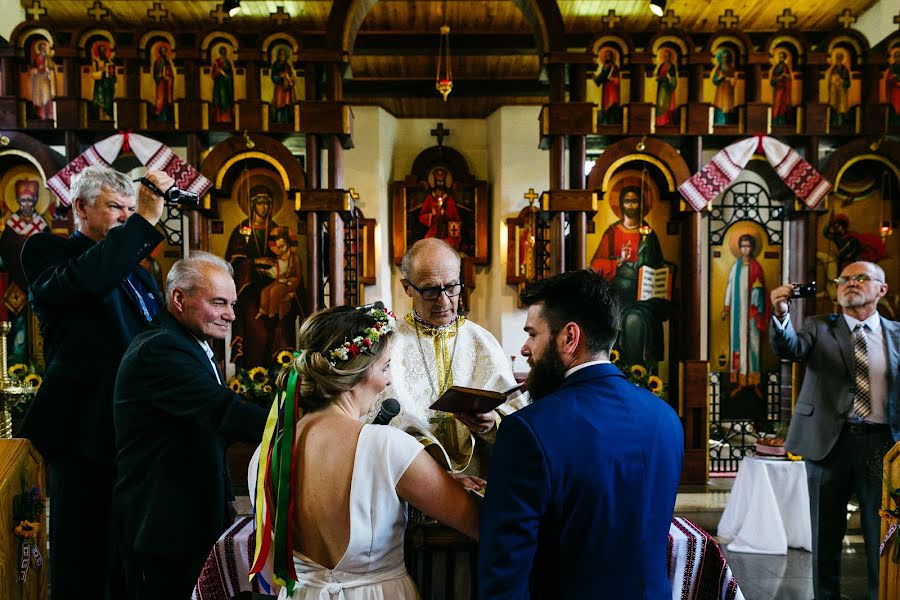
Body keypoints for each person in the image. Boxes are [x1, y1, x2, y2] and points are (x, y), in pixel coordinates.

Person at [250, 303, 480, 598]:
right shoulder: (386, 445)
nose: (389, 380)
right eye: (384, 367)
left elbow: (271, 568)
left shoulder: (265, 453)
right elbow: (480, 525)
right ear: (356, 372)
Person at [478, 269, 684, 598]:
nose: (526, 348)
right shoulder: (666, 418)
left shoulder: (528, 430)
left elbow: (505, 570)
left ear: (569, 338)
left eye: (533, 334)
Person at [19, 165, 173, 600]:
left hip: (135, 432)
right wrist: (143, 221)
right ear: (81, 207)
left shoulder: (139, 273)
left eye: (130, 209)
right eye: (115, 208)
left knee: (130, 556)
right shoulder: (49, 252)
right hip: (83, 430)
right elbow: (88, 281)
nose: (126, 216)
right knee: (84, 560)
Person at [113, 252, 268, 598]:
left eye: (232, 303)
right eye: (218, 302)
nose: (230, 314)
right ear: (179, 299)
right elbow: (224, 413)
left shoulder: (185, 343)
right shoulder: (161, 349)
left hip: (188, 519)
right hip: (164, 527)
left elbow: (208, 433)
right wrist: (310, 425)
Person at [770, 261, 900, 600]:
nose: (850, 283)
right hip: (828, 443)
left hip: (882, 448)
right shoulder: (818, 327)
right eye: (844, 279)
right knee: (825, 536)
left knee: (881, 535)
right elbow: (788, 348)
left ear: (881, 290)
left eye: (860, 278)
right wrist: (782, 313)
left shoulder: (897, 334)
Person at [385, 237, 528, 476]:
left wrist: (492, 423)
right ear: (407, 287)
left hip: (476, 477)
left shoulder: (481, 341)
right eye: (430, 290)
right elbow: (372, 417)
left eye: (451, 287)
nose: (443, 301)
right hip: (409, 479)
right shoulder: (390, 343)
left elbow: (516, 417)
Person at [589, 185, 671, 365]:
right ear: (621, 204)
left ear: (640, 204)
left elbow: (658, 265)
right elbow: (596, 266)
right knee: (622, 321)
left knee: (636, 321)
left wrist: (664, 273)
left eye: (635, 201)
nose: (631, 205)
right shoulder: (612, 233)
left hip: (644, 299)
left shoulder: (648, 234)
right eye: (628, 201)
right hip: (617, 298)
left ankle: (640, 373)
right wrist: (618, 261)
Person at [0, 179, 49, 361]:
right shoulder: (11, 225)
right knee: (18, 321)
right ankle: (17, 361)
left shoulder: (41, 225)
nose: (26, 205)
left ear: (36, 200)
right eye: (23, 201)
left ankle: (40, 361)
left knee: (39, 321)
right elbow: (5, 251)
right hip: (16, 282)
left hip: (38, 282)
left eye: (30, 200)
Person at [721, 233, 768, 386]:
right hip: (737, 312)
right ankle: (739, 377)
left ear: (752, 247)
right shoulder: (736, 267)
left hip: (752, 312)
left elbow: (760, 288)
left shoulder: (756, 267)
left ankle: (753, 379)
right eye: (742, 246)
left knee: (753, 342)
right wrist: (726, 307)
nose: (745, 249)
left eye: (748, 246)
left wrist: (756, 298)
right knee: (738, 342)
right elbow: (729, 286)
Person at [257, 232, 302, 320]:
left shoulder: (295, 258)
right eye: (279, 247)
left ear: (288, 244)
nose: (280, 249)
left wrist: (290, 282)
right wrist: (266, 271)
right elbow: (275, 271)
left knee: (275, 290)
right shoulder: (279, 257)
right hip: (279, 281)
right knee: (265, 291)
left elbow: (298, 275)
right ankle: (263, 311)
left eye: (282, 246)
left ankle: (273, 313)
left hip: (290, 282)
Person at [418, 167, 461, 248]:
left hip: (446, 231)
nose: (440, 183)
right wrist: (431, 215)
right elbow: (421, 216)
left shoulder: (449, 198)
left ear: (444, 182)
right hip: (433, 230)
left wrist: (445, 214)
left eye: (441, 181)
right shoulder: (430, 198)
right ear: (435, 182)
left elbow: (455, 217)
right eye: (438, 181)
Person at [593, 48, 621, 125]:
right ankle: (606, 121)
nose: (606, 57)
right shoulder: (605, 66)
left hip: (612, 88)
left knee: (611, 103)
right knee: (605, 103)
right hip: (606, 87)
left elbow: (617, 79)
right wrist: (597, 79)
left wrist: (611, 78)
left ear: (611, 57)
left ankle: (612, 122)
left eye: (608, 56)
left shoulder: (614, 67)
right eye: (605, 56)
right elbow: (604, 76)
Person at [30, 40, 55, 120]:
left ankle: (48, 114)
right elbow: (32, 68)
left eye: (45, 48)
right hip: (38, 79)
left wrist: (47, 69)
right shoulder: (36, 58)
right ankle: (40, 115)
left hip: (45, 78)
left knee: (46, 95)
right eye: (42, 48)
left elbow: (51, 68)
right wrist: (37, 69)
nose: (43, 49)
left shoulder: (48, 58)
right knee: (39, 96)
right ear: (39, 49)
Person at [91, 42, 116, 119]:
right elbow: (93, 74)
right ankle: (101, 117)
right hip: (100, 85)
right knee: (100, 101)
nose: (103, 52)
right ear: (98, 52)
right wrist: (102, 72)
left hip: (108, 85)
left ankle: (108, 116)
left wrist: (112, 75)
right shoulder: (96, 62)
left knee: (108, 101)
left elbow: (113, 74)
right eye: (101, 51)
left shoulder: (109, 62)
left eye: (104, 50)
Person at [712, 48, 736, 125]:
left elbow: (734, 80)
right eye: (722, 57)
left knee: (728, 106)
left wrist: (728, 79)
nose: (724, 59)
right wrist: (719, 78)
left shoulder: (731, 68)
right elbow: (715, 80)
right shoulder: (719, 68)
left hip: (728, 90)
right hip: (720, 89)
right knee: (719, 105)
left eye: (726, 57)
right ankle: (719, 122)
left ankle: (728, 122)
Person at [211, 45, 235, 123]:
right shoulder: (216, 62)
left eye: (225, 53)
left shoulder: (228, 63)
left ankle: (227, 119)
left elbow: (230, 75)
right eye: (222, 53)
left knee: (226, 102)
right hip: (219, 86)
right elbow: (213, 75)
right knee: (219, 101)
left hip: (226, 87)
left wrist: (228, 77)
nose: (224, 54)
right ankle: (218, 119)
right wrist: (218, 72)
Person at [270, 48, 294, 124]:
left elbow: (290, 76)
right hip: (279, 87)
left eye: (284, 54)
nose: (282, 56)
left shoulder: (287, 65)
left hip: (286, 89)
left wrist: (290, 79)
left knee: (286, 104)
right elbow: (273, 77)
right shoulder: (275, 64)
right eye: (281, 54)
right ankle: (278, 121)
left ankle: (286, 121)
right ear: (279, 55)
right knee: (279, 104)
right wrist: (280, 76)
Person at [655, 48, 678, 126]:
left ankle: (668, 121)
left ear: (670, 57)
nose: (666, 58)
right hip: (661, 87)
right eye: (664, 56)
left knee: (668, 105)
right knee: (660, 104)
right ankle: (660, 122)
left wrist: (669, 78)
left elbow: (673, 78)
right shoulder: (661, 65)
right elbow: (658, 75)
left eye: (667, 56)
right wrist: (660, 78)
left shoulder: (672, 66)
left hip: (668, 88)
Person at [770, 50, 793, 126]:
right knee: (777, 104)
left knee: (784, 104)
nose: (781, 58)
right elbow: (773, 80)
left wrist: (786, 76)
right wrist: (780, 77)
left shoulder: (786, 67)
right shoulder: (776, 68)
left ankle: (782, 121)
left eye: (782, 57)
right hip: (778, 88)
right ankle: (775, 121)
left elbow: (789, 78)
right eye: (779, 57)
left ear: (784, 58)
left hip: (785, 88)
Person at [828, 51, 851, 127]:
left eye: (840, 58)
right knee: (834, 106)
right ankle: (835, 123)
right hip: (834, 91)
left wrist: (842, 80)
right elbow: (830, 81)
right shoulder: (833, 69)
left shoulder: (845, 69)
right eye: (837, 58)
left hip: (842, 91)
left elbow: (848, 82)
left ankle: (841, 123)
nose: (838, 59)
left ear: (842, 59)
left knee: (841, 107)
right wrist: (833, 81)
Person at [153, 44, 175, 122]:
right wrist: (159, 76)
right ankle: (160, 117)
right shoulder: (157, 62)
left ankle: (167, 117)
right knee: (161, 99)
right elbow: (155, 74)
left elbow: (171, 74)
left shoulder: (167, 62)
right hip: (161, 83)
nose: (164, 53)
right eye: (162, 51)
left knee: (167, 100)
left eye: (165, 51)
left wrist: (169, 78)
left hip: (167, 83)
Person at [888, 48, 900, 127]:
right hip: (895, 90)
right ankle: (894, 124)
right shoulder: (892, 66)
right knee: (894, 106)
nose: (898, 58)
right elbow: (889, 77)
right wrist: (894, 78)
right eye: (896, 56)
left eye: (899, 56)